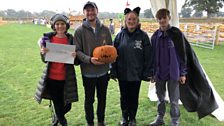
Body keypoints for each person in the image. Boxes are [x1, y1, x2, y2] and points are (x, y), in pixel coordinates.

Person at [150, 8, 218, 126]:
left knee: (174, 100)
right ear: (157, 20)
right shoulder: (155, 36)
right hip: (159, 73)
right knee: (160, 98)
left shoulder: (176, 34)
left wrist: (182, 73)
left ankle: (175, 121)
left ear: (169, 18)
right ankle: (160, 118)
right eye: (159, 18)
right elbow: (152, 56)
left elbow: (183, 54)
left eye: (164, 18)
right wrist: (152, 73)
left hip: (173, 73)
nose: (162, 20)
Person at [111, 7, 153, 126]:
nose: (131, 21)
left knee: (134, 97)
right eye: (129, 19)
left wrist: (147, 72)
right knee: (124, 97)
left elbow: (148, 56)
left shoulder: (143, 36)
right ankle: (125, 117)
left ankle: (132, 118)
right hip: (122, 73)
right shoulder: (119, 36)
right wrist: (113, 70)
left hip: (136, 73)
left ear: (137, 20)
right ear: (125, 20)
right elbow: (112, 54)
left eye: (134, 19)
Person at [34, 14, 78, 126]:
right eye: (57, 24)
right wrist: (42, 53)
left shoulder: (70, 39)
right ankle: (63, 122)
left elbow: (76, 61)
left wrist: (75, 56)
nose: (60, 26)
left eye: (62, 24)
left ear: (66, 25)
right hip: (52, 78)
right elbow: (45, 60)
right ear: (54, 26)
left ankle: (57, 117)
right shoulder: (48, 39)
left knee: (68, 105)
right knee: (57, 103)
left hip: (66, 78)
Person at [73, 1, 112, 126]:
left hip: (103, 72)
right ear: (84, 13)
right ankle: (90, 123)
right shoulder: (79, 31)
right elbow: (77, 50)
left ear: (97, 11)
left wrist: (110, 61)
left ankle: (101, 122)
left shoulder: (105, 29)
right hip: (88, 72)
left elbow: (110, 48)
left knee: (102, 99)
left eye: (92, 9)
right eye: (87, 10)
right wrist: (89, 59)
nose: (90, 12)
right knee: (89, 100)